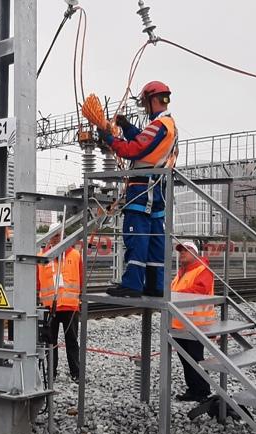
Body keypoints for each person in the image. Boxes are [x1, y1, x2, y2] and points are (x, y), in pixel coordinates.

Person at [100, 80, 178, 298]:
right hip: (157, 191)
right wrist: (125, 126)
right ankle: (155, 285)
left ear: (153, 100)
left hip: (143, 190)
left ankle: (132, 284)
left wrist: (110, 139)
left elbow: (135, 149)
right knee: (154, 240)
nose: (143, 108)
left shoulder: (160, 125)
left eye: (144, 103)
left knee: (137, 237)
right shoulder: (167, 125)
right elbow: (144, 140)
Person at [36, 223, 82, 383]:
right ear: (49, 237)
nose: (57, 238)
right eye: (54, 235)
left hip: (70, 307)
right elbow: (37, 283)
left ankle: (76, 373)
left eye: (59, 235)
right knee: (50, 343)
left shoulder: (75, 255)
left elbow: (81, 281)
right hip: (50, 308)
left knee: (72, 341)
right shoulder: (41, 256)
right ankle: (51, 373)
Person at [171, 241, 216, 402]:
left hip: (196, 325)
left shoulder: (203, 270)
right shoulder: (182, 272)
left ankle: (202, 391)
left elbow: (199, 291)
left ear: (195, 253)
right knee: (186, 360)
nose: (182, 253)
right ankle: (193, 389)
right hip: (180, 324)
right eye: (181, 250)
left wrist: (174, 295)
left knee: (195, 359)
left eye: (186, 250)